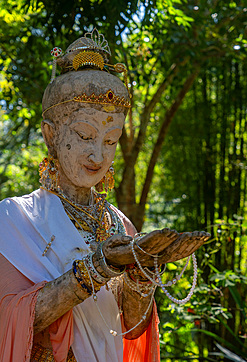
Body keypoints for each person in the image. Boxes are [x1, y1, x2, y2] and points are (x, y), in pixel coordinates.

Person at [0, 29, 209, 362]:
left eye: (110, 141)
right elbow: (11, 319)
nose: (98, 155)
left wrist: (143, 271)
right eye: (84, 135)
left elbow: (130, 328)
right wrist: (96, 269)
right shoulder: (14, 219)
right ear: (51, 134)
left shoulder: (118, 224)